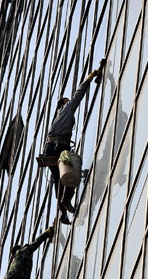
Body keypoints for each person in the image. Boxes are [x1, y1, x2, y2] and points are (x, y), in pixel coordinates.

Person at [44, 61, 105, 224]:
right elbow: (78, 95)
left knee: (59, 179)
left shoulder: (56, 120)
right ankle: (65, 200)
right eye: (66, 101)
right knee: (71, 170)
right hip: (59, 148)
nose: (68, 102)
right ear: (63, 104)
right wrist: (90, 77)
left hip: (51, 149)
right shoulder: (65, 110)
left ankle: (63, 211)